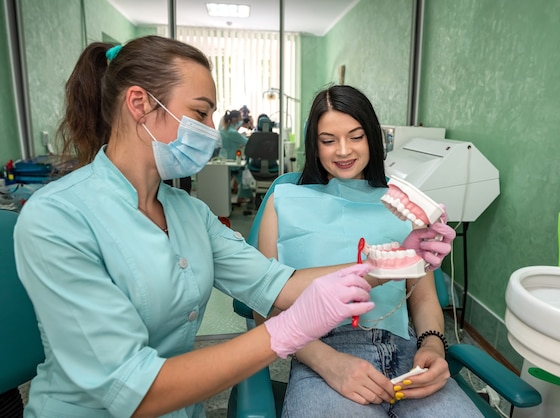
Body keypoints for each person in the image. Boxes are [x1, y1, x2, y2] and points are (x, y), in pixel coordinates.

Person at [12, 36, 377, 418]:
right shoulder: (57, 217)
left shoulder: (190, 213)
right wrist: (286, 331)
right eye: (201, 113)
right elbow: (135, 390)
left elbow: (277, 284)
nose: (212, 132)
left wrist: (390, 262)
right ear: (139, 104)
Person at [255, 85, 482, 417]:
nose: (343, 150)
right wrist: (328, 362)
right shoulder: (284, 202)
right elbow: (267, 308)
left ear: (373, 138)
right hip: (323, 349)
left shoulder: (402, 204)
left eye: (356, 136)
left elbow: (421, 296)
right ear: (314, 145)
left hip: (405, 351)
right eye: (328, 140)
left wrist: (432, 345)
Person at [219, 109, 252, 203]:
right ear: (234, 119)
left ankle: (241, 198)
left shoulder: (224, 129)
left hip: (224, 159)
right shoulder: (232, 132)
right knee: (244, 180)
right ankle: (243, 198)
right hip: (233, 161)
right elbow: (247, 142)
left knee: (230, 182)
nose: (242, 119)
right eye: (240, 117)